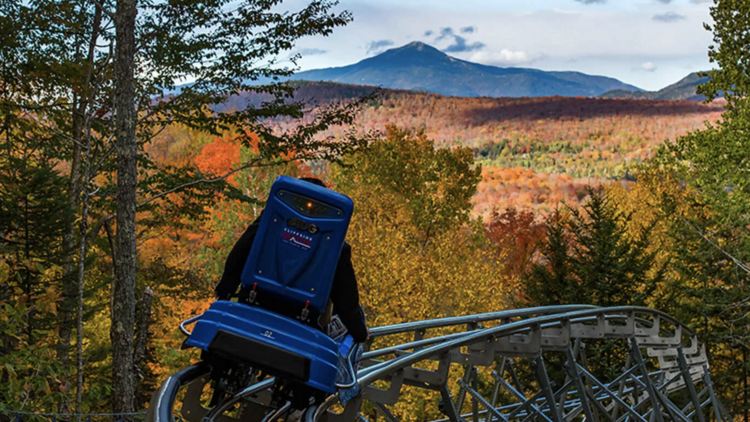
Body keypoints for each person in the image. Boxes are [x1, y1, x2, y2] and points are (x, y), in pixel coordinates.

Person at [213, 177, 369, 410]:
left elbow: (237, 258)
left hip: (253, 306)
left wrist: (224, 292)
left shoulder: (267, 225)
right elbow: (347, 300)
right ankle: (296, 409)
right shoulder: (335, 245)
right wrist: (360, 332)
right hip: (302, 327)